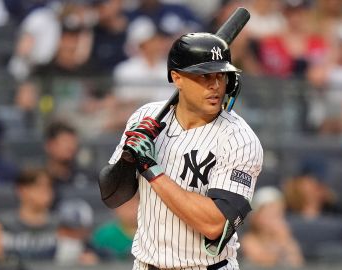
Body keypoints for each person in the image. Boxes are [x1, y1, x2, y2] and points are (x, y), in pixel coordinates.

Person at [100, 32, 264, 269]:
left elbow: (214, 224)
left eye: (221, 75)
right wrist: (129, 158)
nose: (215, 85)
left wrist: (150, 168)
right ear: (177, 78)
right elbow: (112, 196)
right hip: (146, 264)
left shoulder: (240, 139)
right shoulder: (146, 117)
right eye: (204, 75)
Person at [1, 169, 58, 261]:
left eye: (49, 186)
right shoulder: (3, 224)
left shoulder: (60, 224)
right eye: (39, 186)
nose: (46, 191)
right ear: (21, 190)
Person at [241, 186, 304, 267]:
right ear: (256, 217)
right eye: (269, 214)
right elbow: (263, 259)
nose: (275, 220)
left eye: (278, 214)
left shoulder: (285, 239)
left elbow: (297, 262)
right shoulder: (249, 240)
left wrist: (286, 240)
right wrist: (282, 242)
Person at [91, 192, 139, 260]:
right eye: (126, 207)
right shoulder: (104, 234)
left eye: (133, 206)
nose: (132, 211)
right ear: (116, 209)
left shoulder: (153, 231)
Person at [55, 198, 99, 266]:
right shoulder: (43, 256)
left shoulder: (101, 255)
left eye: (77, 232)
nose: (71, 236)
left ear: (87, 232)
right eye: (67, 231)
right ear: (59, 230)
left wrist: (98, 264)